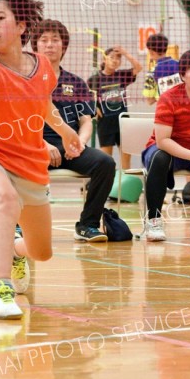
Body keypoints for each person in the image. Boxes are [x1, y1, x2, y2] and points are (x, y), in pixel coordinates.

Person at [0, 0, 83, 320]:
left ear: (22, 26)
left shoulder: (42, 65)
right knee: (5, 202)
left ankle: (16, 251)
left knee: (43, 251)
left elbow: (43, 104)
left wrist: (66, 131)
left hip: (31, 166)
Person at [31, 19, 116, 242]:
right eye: (44, 40)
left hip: (70, 146)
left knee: (105, 163)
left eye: (55, 40)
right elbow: (21, 122)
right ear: (35, 46)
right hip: (35, 146)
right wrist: (43, 145)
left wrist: (79, 142)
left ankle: (87, 224)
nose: (50, 45)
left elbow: (86, 121)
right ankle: (22, 225)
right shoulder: (26, 80)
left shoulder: (76, 83)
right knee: (17, 161)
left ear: (63, 46)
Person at [141, 48, 190, 241]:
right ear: (183, 75)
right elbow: (163, 141)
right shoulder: (169, 98)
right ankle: (154, 221)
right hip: (166, 149)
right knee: (160, 158)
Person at [88, 45, 142, 170]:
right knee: (106, 161)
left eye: (118, 58)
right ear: (104, 60)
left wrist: (125, 52)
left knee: (126, 162)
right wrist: (94, 108)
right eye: (111, 57)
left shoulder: (122, 76)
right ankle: (108, 186)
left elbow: (138, 67)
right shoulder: (94, 79)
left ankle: (124, 186)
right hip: (105, 123)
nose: (114, 60)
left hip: (123, 122)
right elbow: (86, 97)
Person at [142, 33, 180, 105]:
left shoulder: (151, 73)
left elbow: (149, 101)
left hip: (164, 110)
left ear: (151, 51)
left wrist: (159, 95)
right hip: (182, 109)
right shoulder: (180, 65)